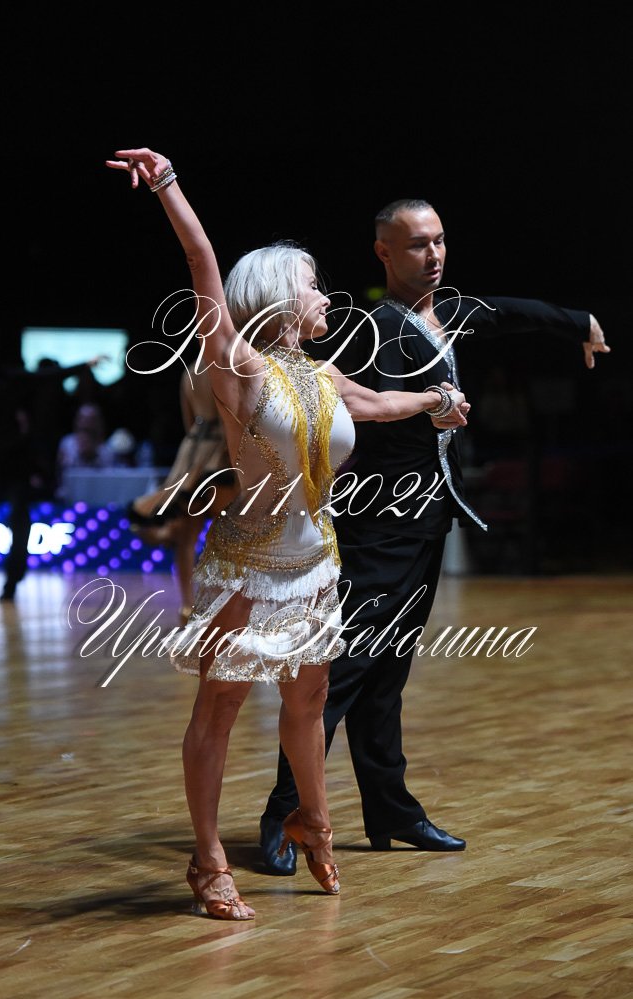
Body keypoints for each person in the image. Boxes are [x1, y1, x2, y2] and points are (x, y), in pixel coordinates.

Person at [105, 150, 470, 921]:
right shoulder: (238, 368)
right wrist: (168, 184)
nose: (325, 294)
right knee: (220, 710)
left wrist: (436, 399)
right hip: (246, 566)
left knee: (309, 701)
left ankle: (314, 821)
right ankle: (208, 859)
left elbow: (377, 404)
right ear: (277, 296)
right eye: (311, 284)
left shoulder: (323, 375)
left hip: (315, 563)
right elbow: (202, 261)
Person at [259, 198, 611, 873]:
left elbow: (505, 311)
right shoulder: (375, 327)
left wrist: (580, 323)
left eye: (440, 240)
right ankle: (285, 812)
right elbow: (357, 408)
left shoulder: (448, 312)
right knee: (342, 672)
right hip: (378, 523)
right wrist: (433, 406)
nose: (434, 255)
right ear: (384, 253)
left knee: (388, 674)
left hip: (426, 520)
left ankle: (389, 807)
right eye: (418, 244)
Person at [0, 321, 104, 601]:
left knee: (20, 518)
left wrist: (85, 365)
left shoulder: (10, 379)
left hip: (12, 461)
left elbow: (47, 377)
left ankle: (12, 581)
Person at [126, 365, 239, 625]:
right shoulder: (230, 368)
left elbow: (189, 420)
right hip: (220, 454)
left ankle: (187, 607)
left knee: (186, 539)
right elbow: (233, 414)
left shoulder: (190, 372)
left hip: (192, 452)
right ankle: (224, 605)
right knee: (228, 537)